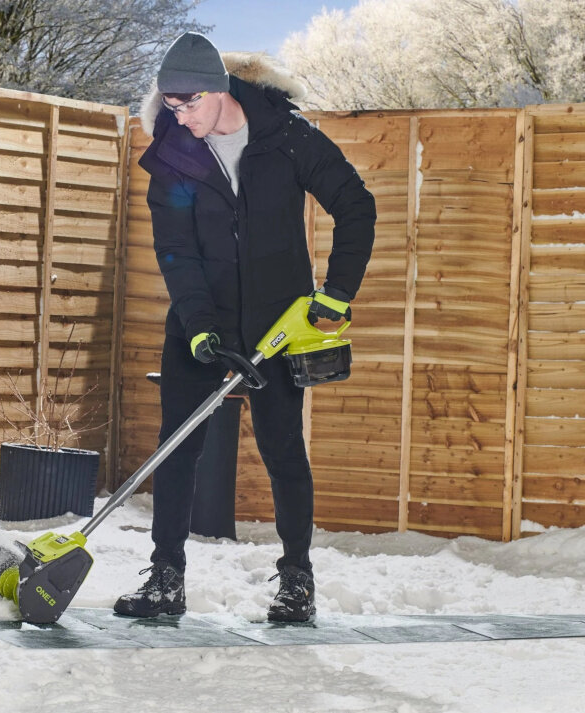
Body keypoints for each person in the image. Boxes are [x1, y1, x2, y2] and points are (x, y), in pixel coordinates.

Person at [115, 32, 376, 622]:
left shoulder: (287, 137)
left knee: (282, 449)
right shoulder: (172, 155)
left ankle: (297, 580)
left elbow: (356, 205)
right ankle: (165, 578)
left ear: (219, 89)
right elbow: (175, 250)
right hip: (198, 318)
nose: (178, 117)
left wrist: (336, 293)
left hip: (277, 324)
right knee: (178, 448)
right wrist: (201, 330)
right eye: (170, 106)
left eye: (188, 105)